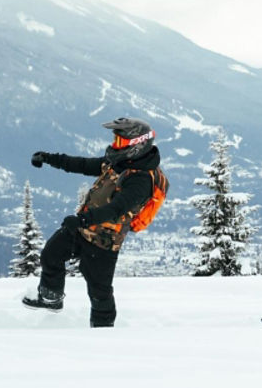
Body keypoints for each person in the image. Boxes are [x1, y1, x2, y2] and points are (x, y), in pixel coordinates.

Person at [25, 117, 163, 327]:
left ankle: (103, 332)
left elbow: (116, 209)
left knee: (99, 291)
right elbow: (82, 164)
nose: (115, 145)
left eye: (121, 142)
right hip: (82, 229)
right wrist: (48, 158)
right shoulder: (119, 164)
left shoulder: (142, 179)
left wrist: (82, 219)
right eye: (116, 140)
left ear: (138, 145)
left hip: (104, 242)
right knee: (51, 254)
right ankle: (50, 299)